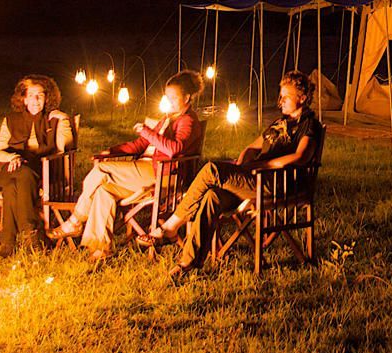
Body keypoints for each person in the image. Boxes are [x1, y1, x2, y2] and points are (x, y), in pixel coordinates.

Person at [136, 70, 323, 277]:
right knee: (211, 197)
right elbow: (252, 148)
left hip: (278, 182)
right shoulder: (279, 124)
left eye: (286, 96)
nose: (281, 100)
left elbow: (300, 157)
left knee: (211, 170)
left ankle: (170, 228)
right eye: (281, 95)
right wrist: (241, 166)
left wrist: (264, 166)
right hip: (255, 179)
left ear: (302, 98)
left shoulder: (308, 124)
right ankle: (187, 264)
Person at [46, 70, 203, 260]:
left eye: (173, 97)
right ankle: (99, 250)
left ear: (187, 97)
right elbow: (140, 145)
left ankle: (75, 220)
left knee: (102, 169)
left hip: (164, 176)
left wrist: (147, 132)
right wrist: (113, 151)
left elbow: (175, 149)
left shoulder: (188, 120)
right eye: (166, 96)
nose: (168, 101)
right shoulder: (168, 118)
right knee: (104, 191)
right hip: (148, 172)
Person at [0, 75, 74, 256]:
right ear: (24, 99)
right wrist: (13, 158)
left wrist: (62, 119)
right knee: (21, 174)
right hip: (7, 169)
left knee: (12, 188)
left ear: (47, 98)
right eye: (31, 95)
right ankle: (30, 235)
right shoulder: (11, 120)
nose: (35, 100)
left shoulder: (54, 119)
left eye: (40, 96)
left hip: (36, 171)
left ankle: (7, 242)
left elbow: (63, 148)